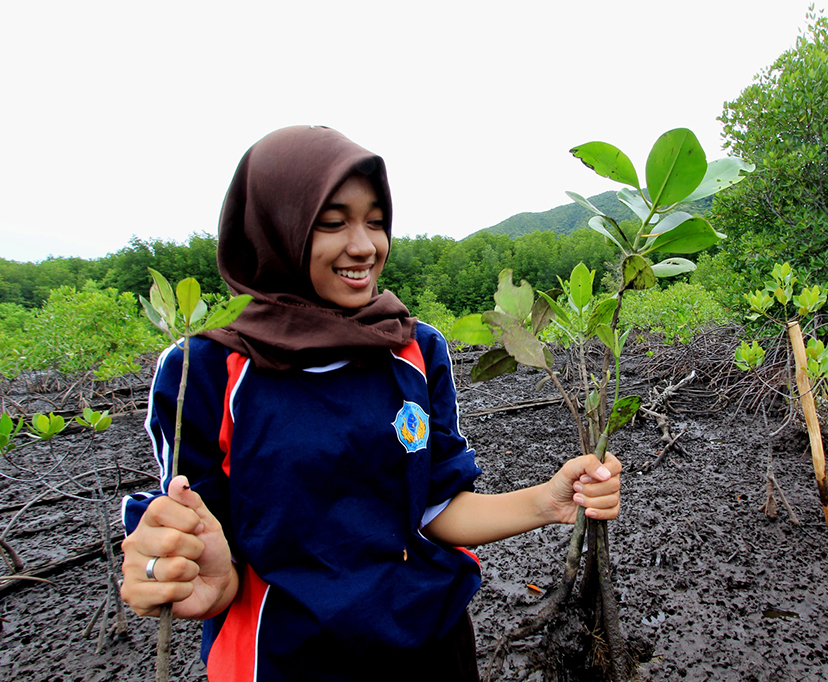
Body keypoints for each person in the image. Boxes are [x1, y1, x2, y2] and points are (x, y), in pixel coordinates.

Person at [119, 125, 622, 682]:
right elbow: (215, 558)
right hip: (287, 661)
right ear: (276, 229)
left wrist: (548, 502)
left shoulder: (413, 348)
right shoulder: (206, 369)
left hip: (432, 647)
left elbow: (433, 509)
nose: (364, 246)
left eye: (376, 221)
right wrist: (179, 570)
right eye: (332, 222)